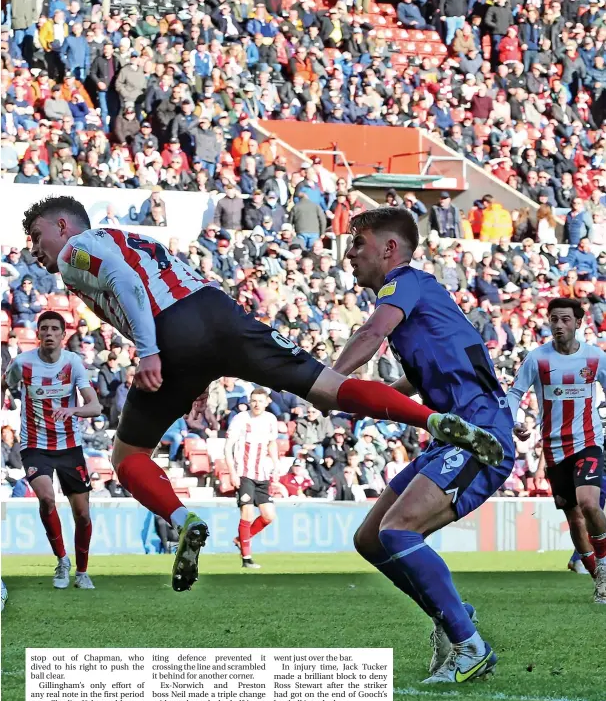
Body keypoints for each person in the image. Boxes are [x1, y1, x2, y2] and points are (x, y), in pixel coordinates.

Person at [24, 196, 504, 594]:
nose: (35, 249)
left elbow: (127, 285)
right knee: (329, 389)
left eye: (37, 235)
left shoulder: (75, 252)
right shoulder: (135, 239)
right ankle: (433, 421)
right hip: (217, 312)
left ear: (63, 225)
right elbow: (172, 288)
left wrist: (151, 351)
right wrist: (199, 375)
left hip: (171, 334)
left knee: (128, 458)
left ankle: (184, 519)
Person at [336, 206, 514, 684]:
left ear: (389, 249)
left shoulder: (405, 284)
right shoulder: (420, 309)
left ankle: (469, 645)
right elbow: (414, 387)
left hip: (482, 436)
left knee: (397, 532)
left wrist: (328, 379)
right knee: (369, 540)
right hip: (452, 436)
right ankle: (453, 617)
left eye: (359, 243)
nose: (350, 254)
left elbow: (372, 332)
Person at [507, 298, 606, 605]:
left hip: (588, 441)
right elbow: (514, 393)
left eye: (565, 319)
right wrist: (515, 421)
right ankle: (598, 577)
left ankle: (603, 566)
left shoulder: (595, 357)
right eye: (554, 320)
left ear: (578, 323)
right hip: (553, 448)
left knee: (589, 503)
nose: (559, 325)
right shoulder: (538, 358)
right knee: (574, 518)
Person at [3, 311, 102, 589]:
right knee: (46, 498)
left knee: (82, 514)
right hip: (35, 445)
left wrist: (72, 410)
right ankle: (62, 560)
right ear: (37, 334)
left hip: (70, 447)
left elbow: (95, 406)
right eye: (43, 328)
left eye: (54, 329)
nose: (48, 333)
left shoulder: (74, 363)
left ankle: (82, 572)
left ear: (62, 335)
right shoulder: (22, 364)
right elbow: (4, 385)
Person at [225, 387, 279, 569]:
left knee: (269, 516)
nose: (257, 404)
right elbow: (228, 447)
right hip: (244, 473)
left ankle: (241, 539)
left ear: (267, 402)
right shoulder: (241, 419)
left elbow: (272, 444)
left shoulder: (271, 419)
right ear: (249, 401)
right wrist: (232, 472)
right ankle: (246, 559)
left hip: (262, 474)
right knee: (247, 513)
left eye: (260, 401)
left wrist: (276, 466)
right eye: (254, 400)